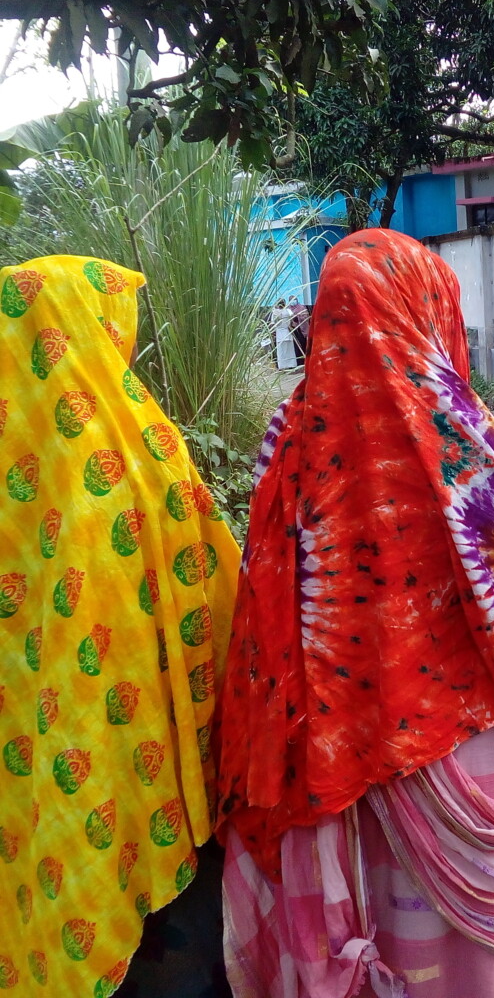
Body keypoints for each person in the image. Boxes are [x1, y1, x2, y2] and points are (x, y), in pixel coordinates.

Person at [215, 228, 494, 998]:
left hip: (328, 767)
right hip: (461, 754)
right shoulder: (465, 442)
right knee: (469, 972)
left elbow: (262, 626)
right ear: (426, 307)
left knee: (377, 937)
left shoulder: (288, 445)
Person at [0, 255, 240, 995]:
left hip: (49, 802)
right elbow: (224, 590)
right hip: (164, 791)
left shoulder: (21, 457)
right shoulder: (149, 451)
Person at [270, 298, 297, 370]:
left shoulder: (275, 312)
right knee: (290, 351)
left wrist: (272, 333)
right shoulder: (288, 311)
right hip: (288, 333)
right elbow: (292, 321)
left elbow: (272, 324)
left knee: (282, 352)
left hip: (280, 334)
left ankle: (283, 366)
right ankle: (291, 365)